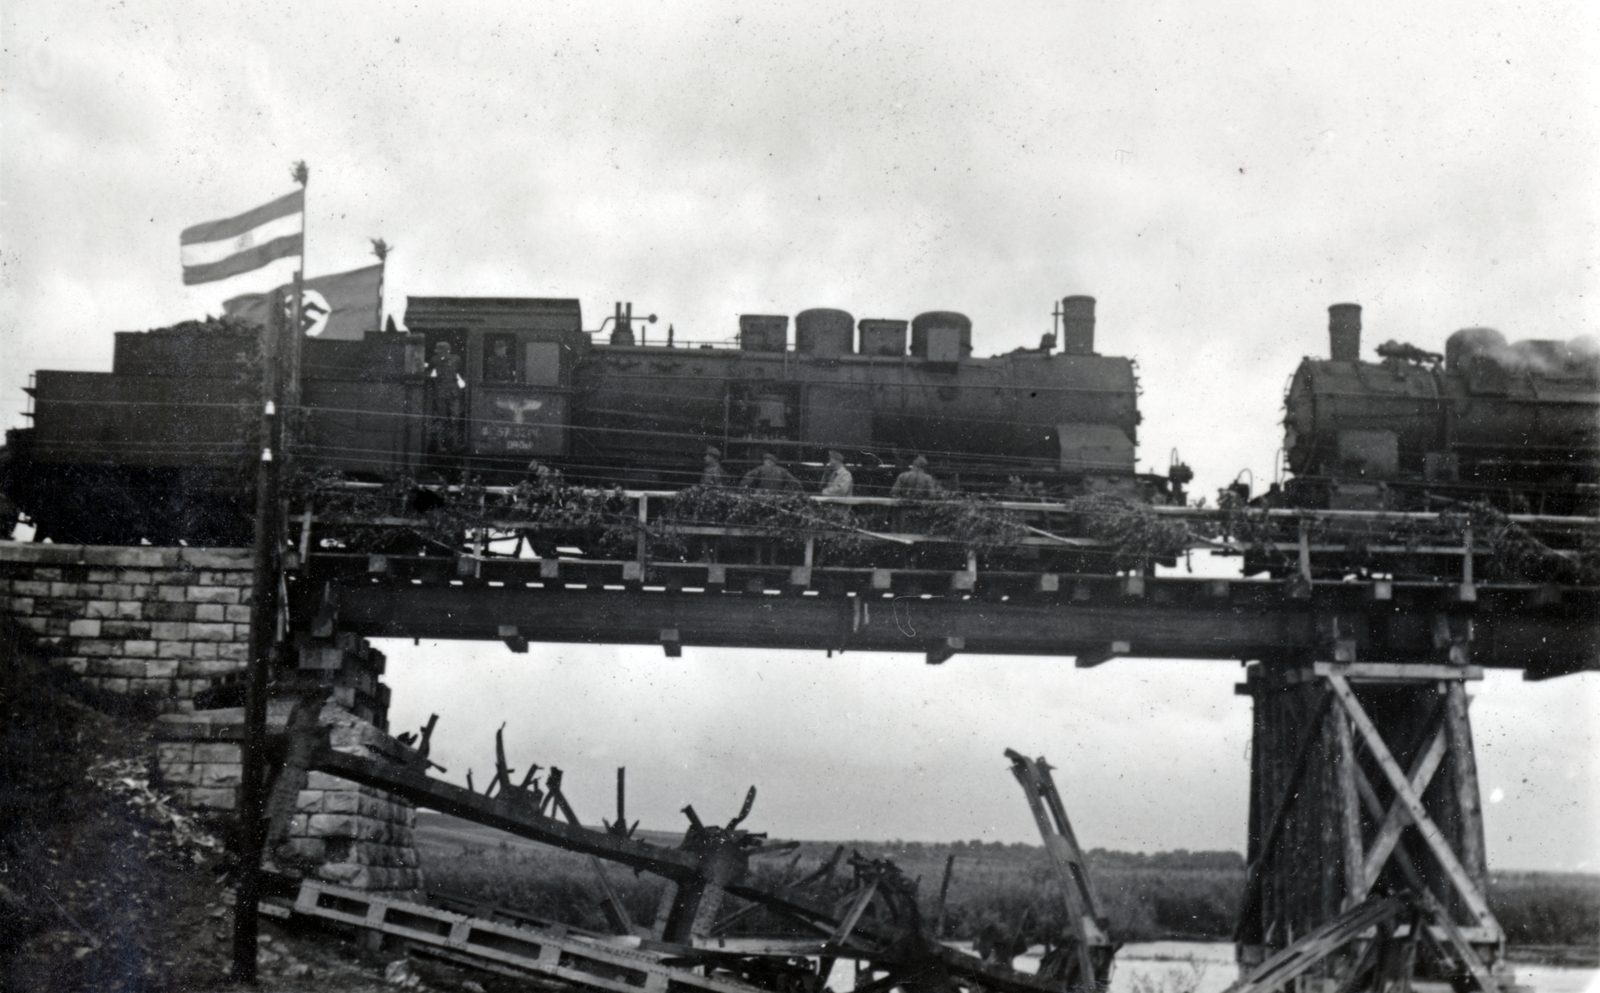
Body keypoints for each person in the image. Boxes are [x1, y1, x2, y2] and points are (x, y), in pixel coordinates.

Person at [428, 341, 466, 453]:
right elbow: (428, 372)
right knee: (442, 419)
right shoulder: (435, 360)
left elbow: (461, 372)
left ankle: (454, 444)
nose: (440, 354)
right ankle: (440, 446)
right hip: (443, 393)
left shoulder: (456, 359)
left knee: (455, 419)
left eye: (441, 351)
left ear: (446, 350)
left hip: (452, 392)